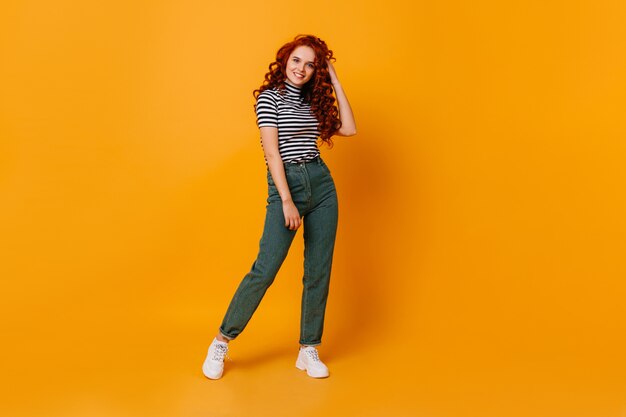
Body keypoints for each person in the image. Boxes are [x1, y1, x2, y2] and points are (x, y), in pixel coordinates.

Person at [202, 34, 356, 379]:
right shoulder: (270, 98)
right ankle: (221, 342)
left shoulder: (314, 103)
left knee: (318, 270)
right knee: (265, 268)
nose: (301, 68)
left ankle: (308, 349)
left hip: (322, 184)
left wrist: (335, 79)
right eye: (297, 60)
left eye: (311, 64)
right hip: (286, 184)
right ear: (285, 60)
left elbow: (350, 127)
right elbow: (272, 153)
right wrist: (287, 200)